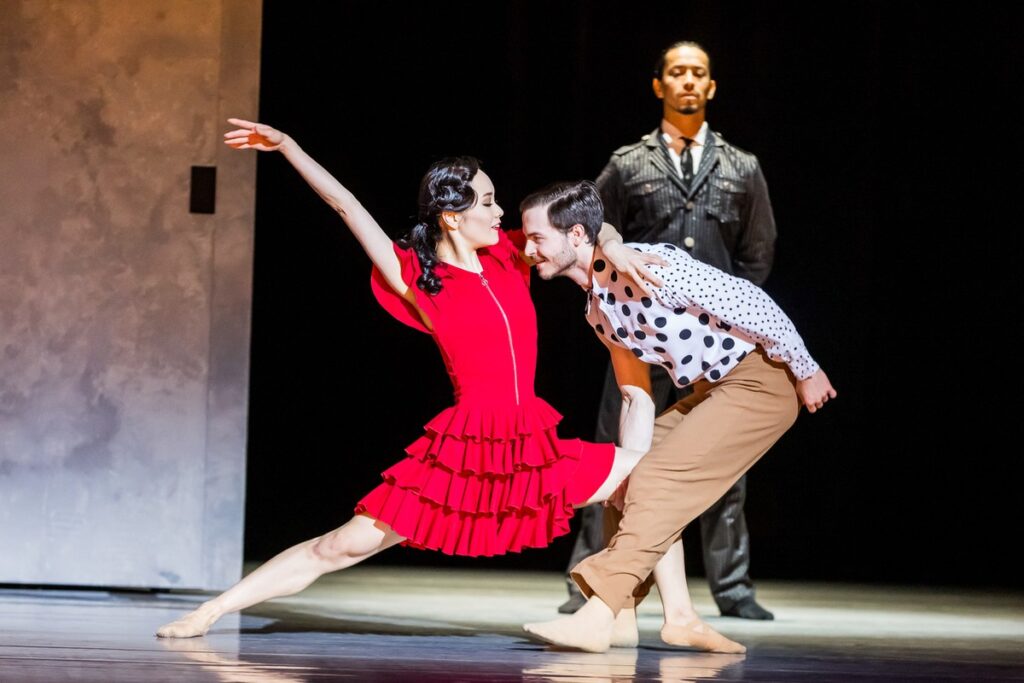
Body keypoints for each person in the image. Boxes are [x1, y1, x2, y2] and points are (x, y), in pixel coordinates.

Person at [156, 119, 741, 652]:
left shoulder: (513, 257)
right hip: (461, 449)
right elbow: (345, 207)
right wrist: (289, 147)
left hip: (531, 443)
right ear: (453, 216)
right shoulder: (416, 278)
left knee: (649, 482)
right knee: (342, 546)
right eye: (488, 201)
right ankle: (212, 611)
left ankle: (679, 615)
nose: (499, 210)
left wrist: (610, 244)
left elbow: (585, 227)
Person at [518, 180, 836, 653]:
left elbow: (752, 302)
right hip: (717, 389)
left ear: (578, 236)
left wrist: (805, 366)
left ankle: (598, 610)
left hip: (762, 381)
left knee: (661, 478)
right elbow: (636, 396)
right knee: (625, 479)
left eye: (537, 238)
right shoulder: (597, 311)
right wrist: (628, 465)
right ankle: (640, 617)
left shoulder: (645, 265)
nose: (527, 250)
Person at [559, 40, 779, 621]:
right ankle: (593, 580)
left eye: (698, 74)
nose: (687, 81)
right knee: (618, 452)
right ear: (659, 84)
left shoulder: (742, 166)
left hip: (711, 343)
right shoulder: (630, 162)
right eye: (677, 72)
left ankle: (731, 588)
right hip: (636, 331)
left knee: (718, 459)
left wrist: (733, 323)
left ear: (711, 87)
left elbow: (757, 256)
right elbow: (590, 221)